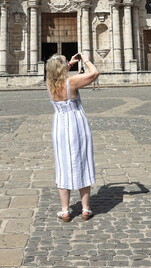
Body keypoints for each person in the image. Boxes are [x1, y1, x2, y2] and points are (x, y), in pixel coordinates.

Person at [46, 53, 100, 222]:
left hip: (60, 127)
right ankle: (85, 209)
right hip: (76, 125)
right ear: (63, 68)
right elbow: (94, 73)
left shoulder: (50, 83)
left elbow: (57, 73)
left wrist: (67, 63)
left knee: (62, 166)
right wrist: (85, 59)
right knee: (82, 162)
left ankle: (65, 210)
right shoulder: (72, 81)